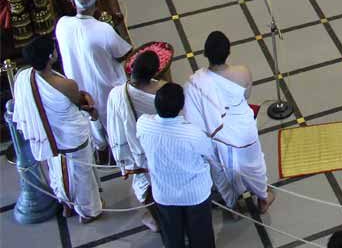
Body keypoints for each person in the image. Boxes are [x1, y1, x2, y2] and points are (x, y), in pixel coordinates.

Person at [12, 36, 103, 223]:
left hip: (49, 137)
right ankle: (88, 211)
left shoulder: (23, 77)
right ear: (49, 57)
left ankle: (67, 204)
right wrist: (91, 107)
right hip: (71, 138)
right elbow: (79, 102)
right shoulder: (65, 85)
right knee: (81, 175)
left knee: (58, 169)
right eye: (53, 49)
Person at [184, 30, 274, 214]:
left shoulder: (195, 82)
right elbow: (246, 96)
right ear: (228, 52)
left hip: (216, 136)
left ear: (206, 54)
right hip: (243, 132)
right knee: (253, 164)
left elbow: (192, 116)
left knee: (223, 169)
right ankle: (263, 197)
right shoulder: (243, 73)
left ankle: (233, 203)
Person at [137, 83, 218, 248]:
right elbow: (209, 152)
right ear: (181, 107)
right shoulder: (192, 133)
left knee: (171, 235)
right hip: (195, 194)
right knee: (201, 235)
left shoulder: (143, 124)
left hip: (164, 194)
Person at [56, 0, 132, 151]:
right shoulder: (102, 29)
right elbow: (122, 53)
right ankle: (118, 147)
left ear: (74, 3)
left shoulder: (62, 24)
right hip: (104, 85)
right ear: (97, 6)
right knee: (112, 121)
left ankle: (100, 147)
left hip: (78, 86)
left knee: (91, 118)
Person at [107, 49, 163, 232]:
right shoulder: (162, 92)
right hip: (160, 150)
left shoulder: (117, 94)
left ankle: (157, 219)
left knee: (146, 186)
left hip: (135, 151)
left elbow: (113, 126)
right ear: (155, 72)